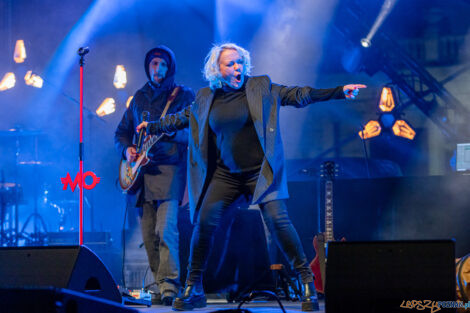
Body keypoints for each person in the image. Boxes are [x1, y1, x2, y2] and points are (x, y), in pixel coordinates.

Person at [137, 43, 366, 311]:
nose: (237, 68)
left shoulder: (261, 87)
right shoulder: (204, 98)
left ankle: (306, 281)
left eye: (239, 63)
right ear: (217, 69)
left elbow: (299, 95)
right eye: (230, 64)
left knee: (279, 222)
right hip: (225, 176)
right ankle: (193, 287)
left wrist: (338, 91)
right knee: (204, 223)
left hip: (260, 174)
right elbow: (179, 120)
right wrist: (151, 127)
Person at [115, 45, 195, 305]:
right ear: (148, 66)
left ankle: (170, 284)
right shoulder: (138, 97)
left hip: (170, 169)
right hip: (141, 174)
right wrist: (127, 150)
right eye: (154, 64)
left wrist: (171, 131)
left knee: (166, 229)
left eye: (162, 64)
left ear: (169, 67)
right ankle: (159, 285)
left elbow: (193, 132)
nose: (158, 69)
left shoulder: (182, 95)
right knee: (149, 234)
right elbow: (121, 133)